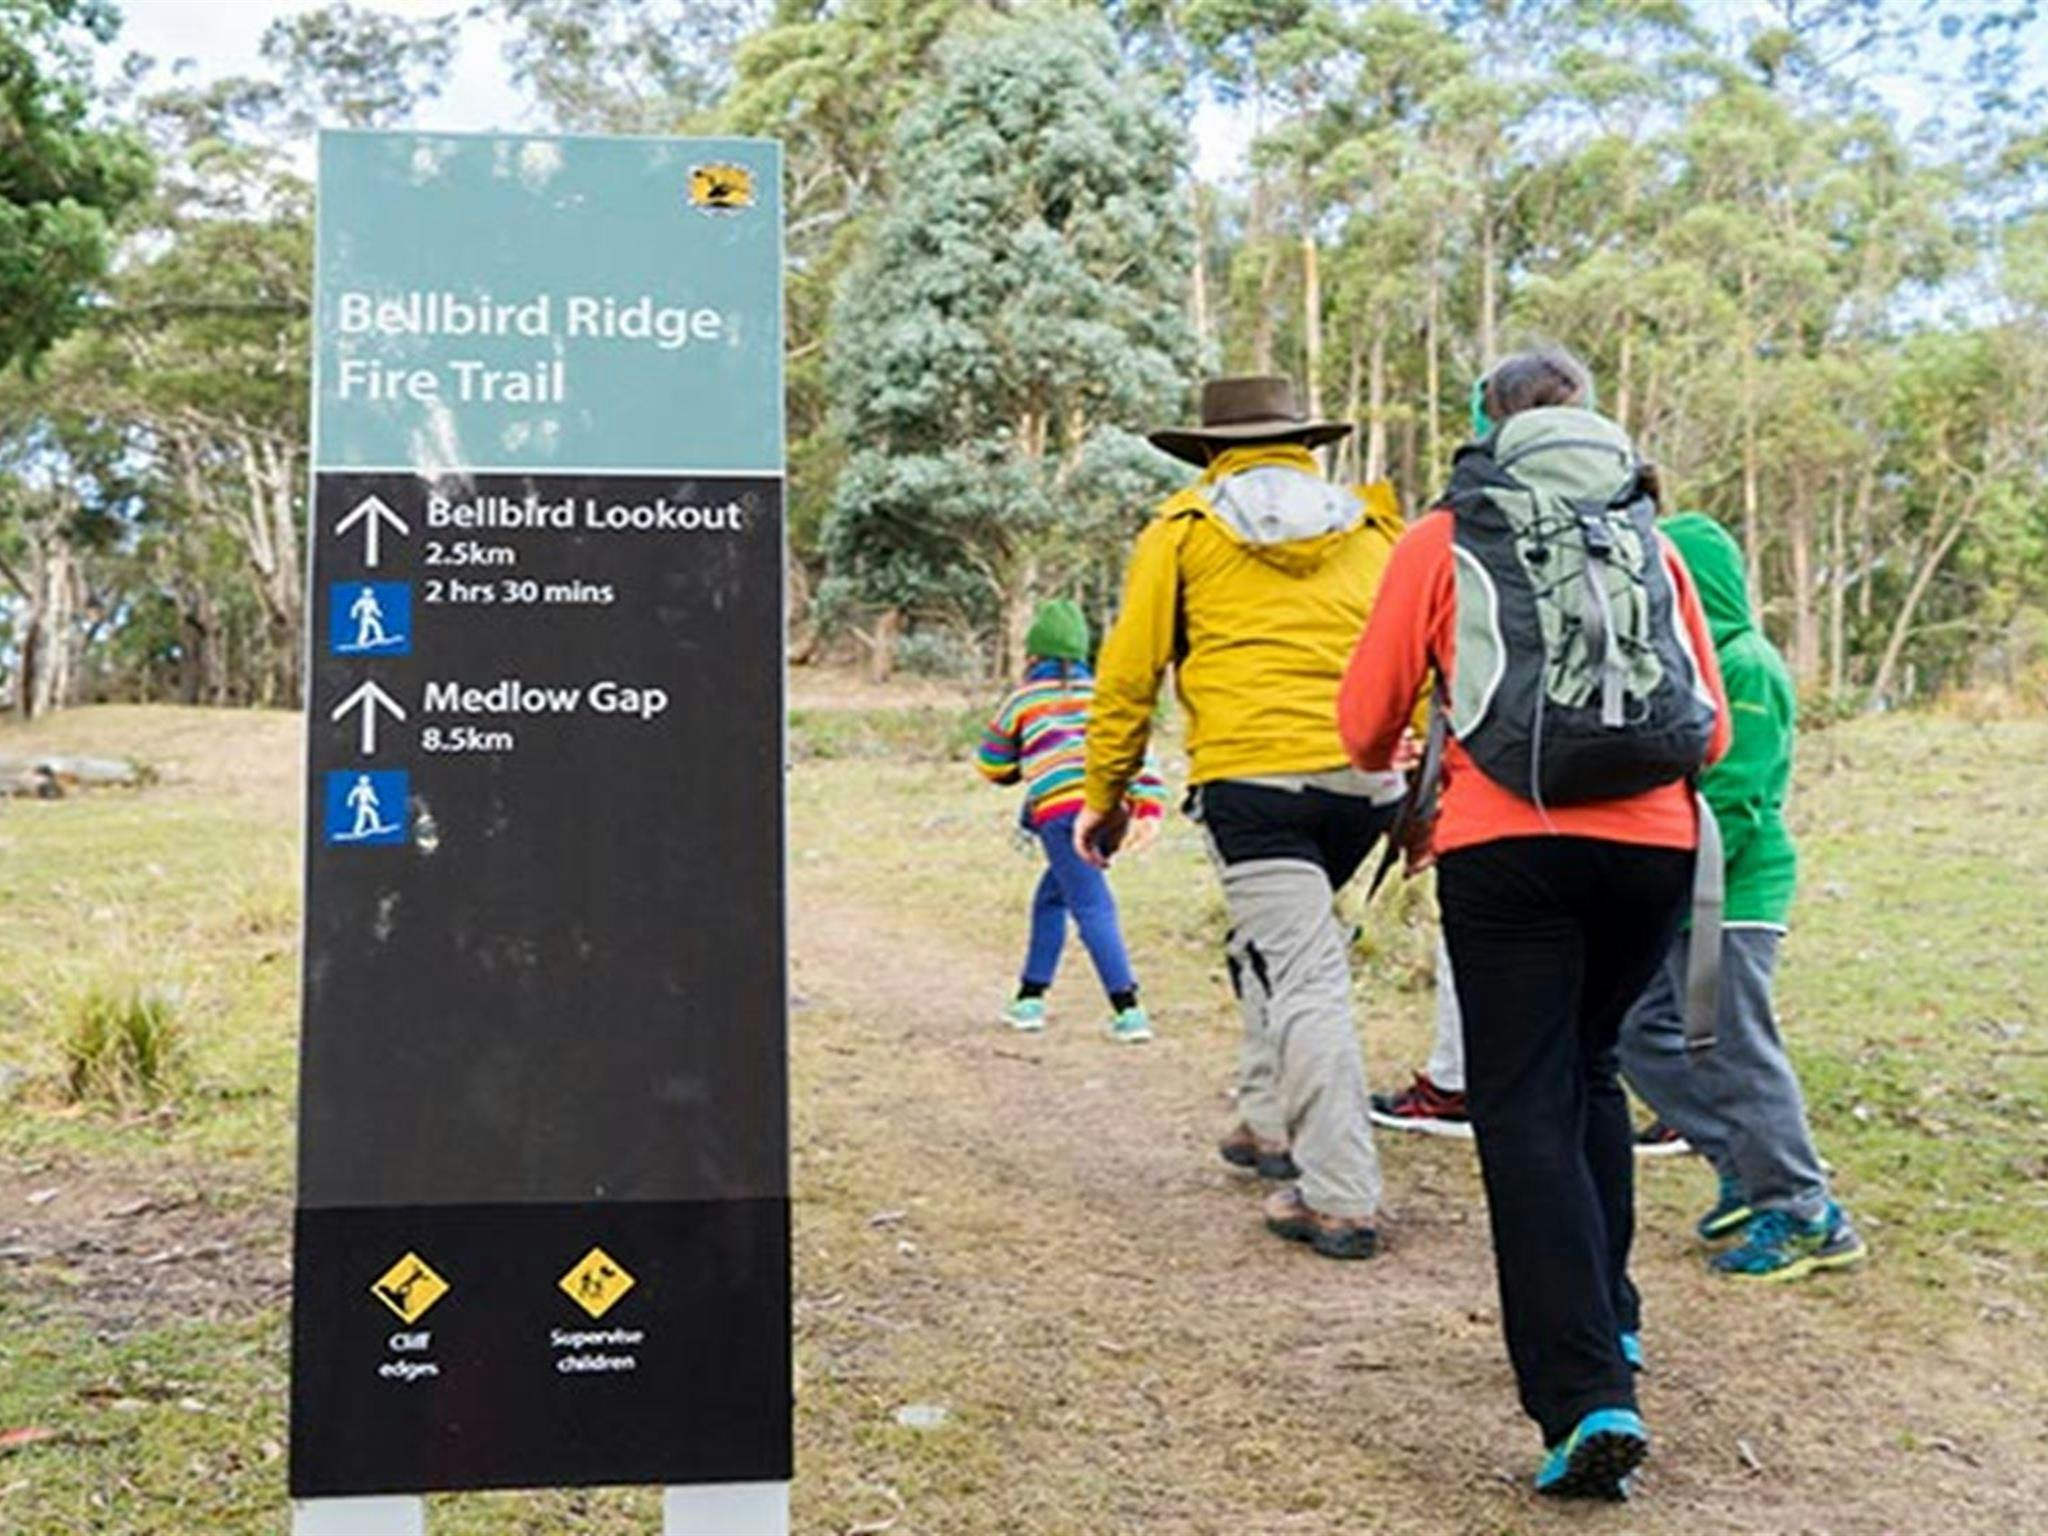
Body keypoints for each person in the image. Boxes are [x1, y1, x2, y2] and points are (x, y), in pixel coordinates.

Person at [1338, 346, 1730, 1498]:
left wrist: (1417, 747)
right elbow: (1703, 730)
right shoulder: (1648, 538)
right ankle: (1612, 1319)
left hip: (1508, 847)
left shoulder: (1446, 533)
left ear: (1487, 426)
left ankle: (1582, 1398)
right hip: (1653, 847)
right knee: (1590, 1070)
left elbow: (1364, 721)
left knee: (1517, 1102)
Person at [1078, 375, 1406, 1261]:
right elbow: (1424, 653)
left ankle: (1339, 1194)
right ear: (1304, 443)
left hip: (1254, 786)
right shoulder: (1376, 532)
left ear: (1213, 451)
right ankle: (1266, 1122)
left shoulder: (1184, 531)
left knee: (1303, 975)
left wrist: (1104, 797)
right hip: (1369, 785)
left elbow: (1128, 674)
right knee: (1266, 946)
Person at [1619, 513, 1868, 1281]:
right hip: (1680, 882)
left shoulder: (1745, 664)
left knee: (1737, 1046)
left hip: (1732, 890)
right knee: (1637, 1030)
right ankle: (1743, 1164)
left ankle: (1803, 1213)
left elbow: (1736, 794)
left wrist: (1656, 851)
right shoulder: (1680, 664)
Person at [977, 599, 1165, 1044]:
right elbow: (1138, 753)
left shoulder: (1024, 699)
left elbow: (991, 765)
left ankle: (1128, 1008)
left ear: (1033, 657)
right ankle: (1030, 996)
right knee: (1052, 899)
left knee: (1091, 904)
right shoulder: (1103, 696)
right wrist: (1149, 806)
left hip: (1062, 815)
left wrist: (1030, 762)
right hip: (1112, 810)